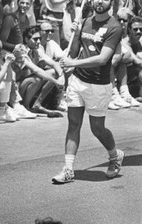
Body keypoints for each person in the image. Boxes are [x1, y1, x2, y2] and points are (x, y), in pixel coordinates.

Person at [54, 0, 125, 183]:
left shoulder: (114, 27)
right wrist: (77, 34)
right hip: (78, 81)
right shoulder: (85, 21)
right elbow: (75, 51)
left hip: (99, 85)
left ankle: (115, 155)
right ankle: (68, 169)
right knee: (73, 125)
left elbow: (102, 59)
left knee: (97, 129)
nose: (100, 1)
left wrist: (73, 64)